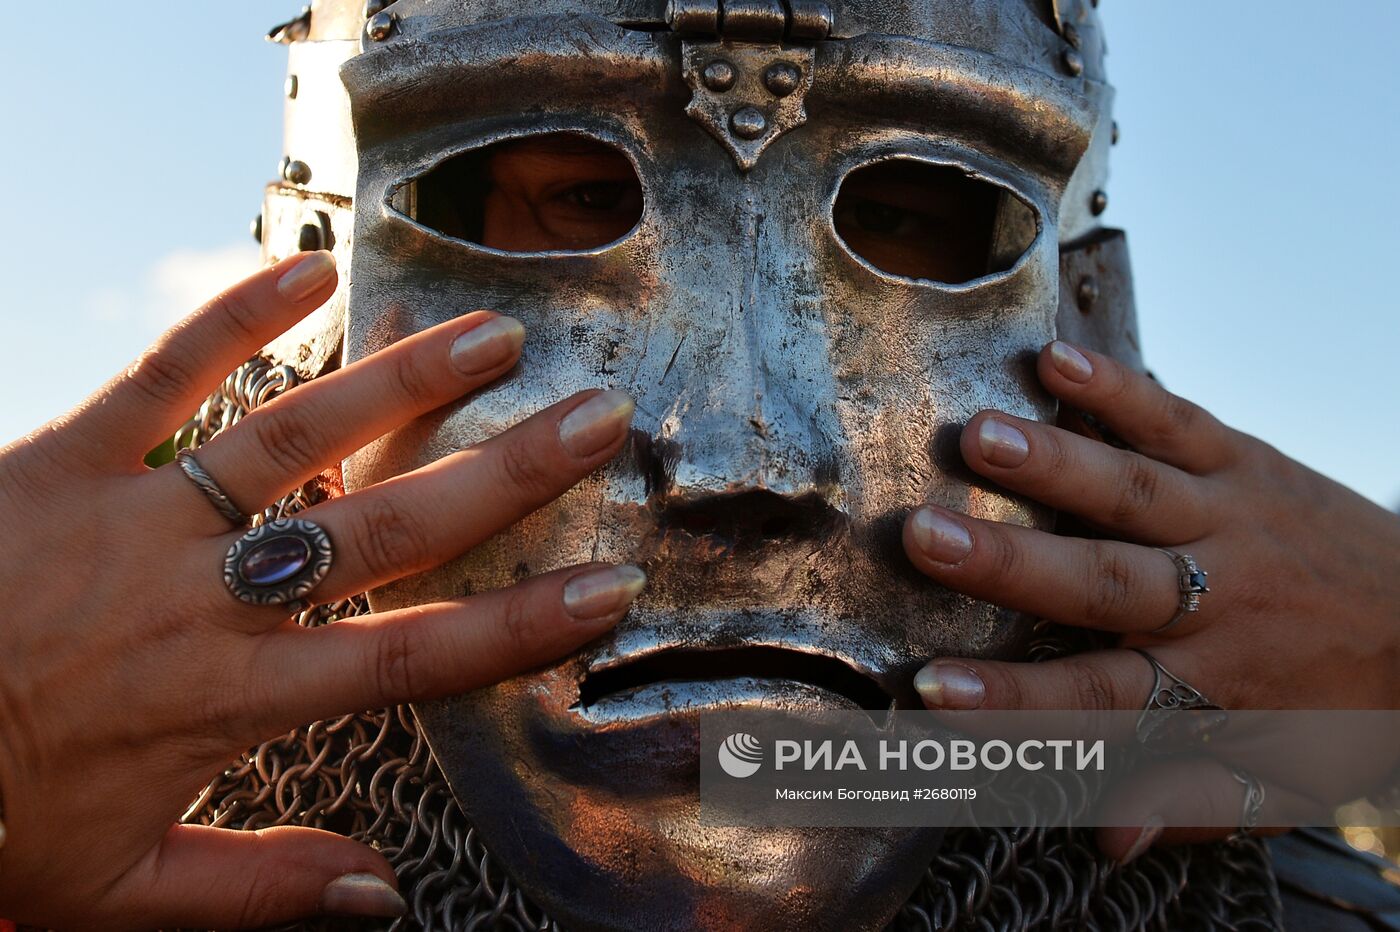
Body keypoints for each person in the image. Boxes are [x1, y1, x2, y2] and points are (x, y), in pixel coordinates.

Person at [1, 1, 1397, 929]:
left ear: (1090, 320)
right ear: (326, 303)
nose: (744, 457)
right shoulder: (78, 864)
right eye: (578, 204)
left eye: (914, 217)